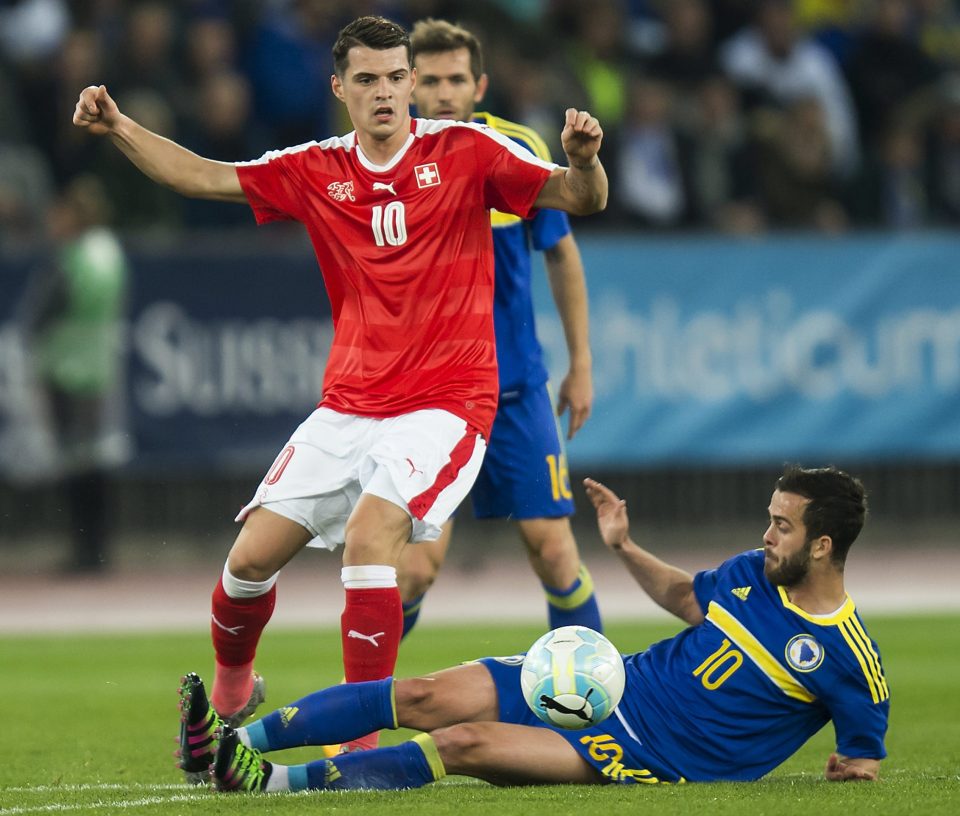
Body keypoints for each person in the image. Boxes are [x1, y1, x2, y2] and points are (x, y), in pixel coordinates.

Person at [71, 15, 608, 773]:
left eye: (397, 78)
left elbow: (577, 199)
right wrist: (120, 126)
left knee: (373, 536)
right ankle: (231, 692)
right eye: (369, 80)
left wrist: (586, 162)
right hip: (350, 404)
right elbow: (201, 174)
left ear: (411, 83)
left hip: (447, 401)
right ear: (340, 88)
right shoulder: (315, 168)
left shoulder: (468, 152)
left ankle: (356, 741)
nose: (386, 93)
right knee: (247, 563)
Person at [179, 464, 888, 791]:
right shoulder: (747, 572)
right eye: (769, 518)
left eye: (782, 525)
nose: (766, 534)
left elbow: (863, 759)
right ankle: (227, 741)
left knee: (460, 743)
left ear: (823, 546)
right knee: (424, 694)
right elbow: (683, 595)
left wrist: (850, 770)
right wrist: (620, 547)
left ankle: (269, 784)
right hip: (609, 682)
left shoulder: (849, 659)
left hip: (651, 755)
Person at [396, 18, 601, 642]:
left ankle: (595, 713)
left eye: (456, 78)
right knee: (412, 571)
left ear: (479, 84)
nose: (444, 92)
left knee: (555, 553)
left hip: (514, 392)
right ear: (407, 87)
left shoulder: (515, 150)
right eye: (428, 80)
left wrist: (581, 362)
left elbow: (561, 251)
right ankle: (361, 716)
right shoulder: (384, 161)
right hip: (429, 399)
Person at [14, 174, 132, 573]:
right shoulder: (110, 252)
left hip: (67, 369)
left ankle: (84, 550)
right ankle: (98, 547)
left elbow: (40, 315)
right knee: (96, 461)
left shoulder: (74, 258)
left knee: (74, 463)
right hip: (100, 368)